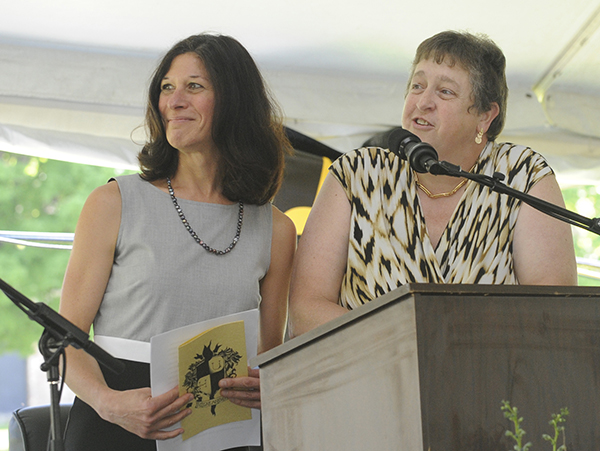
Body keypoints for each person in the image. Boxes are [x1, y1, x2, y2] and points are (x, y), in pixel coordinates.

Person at [58, 33, 296, 450]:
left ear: (235, 101)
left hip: (224, 431)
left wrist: (267, 385)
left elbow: (267, 359)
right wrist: (109, 404)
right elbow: (64, 340)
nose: (174, 100)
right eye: (167, 87)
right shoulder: (112, 203)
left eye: (195, 86)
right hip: (116, 423)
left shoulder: (276, 229)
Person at [288, 30, 577, 337]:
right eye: (417, 85)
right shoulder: (356, 174)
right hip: (365, 376)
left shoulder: (522, 175)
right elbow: (305, 312)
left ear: (484, 116)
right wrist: (407, 343)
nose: (423, 102)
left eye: (445, 92)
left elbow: (552, 316)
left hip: (488, 379)